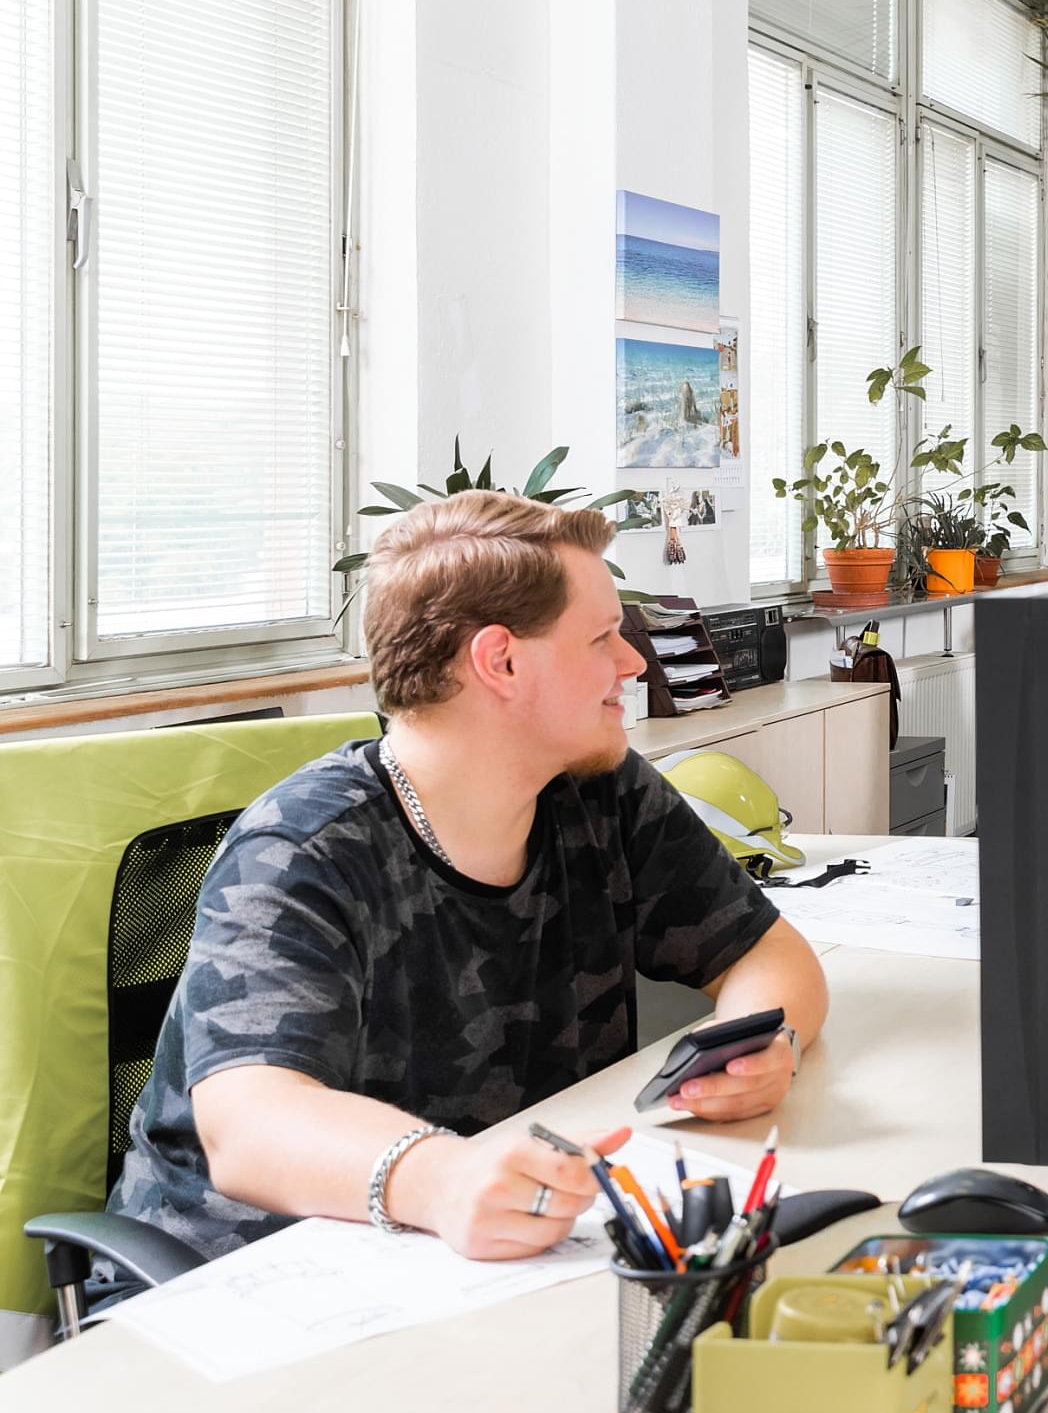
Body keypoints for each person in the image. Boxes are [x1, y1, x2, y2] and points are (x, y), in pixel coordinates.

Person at [111, 492, 830, 1262]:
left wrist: (759, 1044)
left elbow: (767, 953)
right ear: (501, 661)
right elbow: (247, 1125)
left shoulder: (602, 791)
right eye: (602, 637)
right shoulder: (300, 850)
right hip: (250, 1276)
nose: (633, 662)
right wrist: (443, 1178)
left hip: (491, 1251)